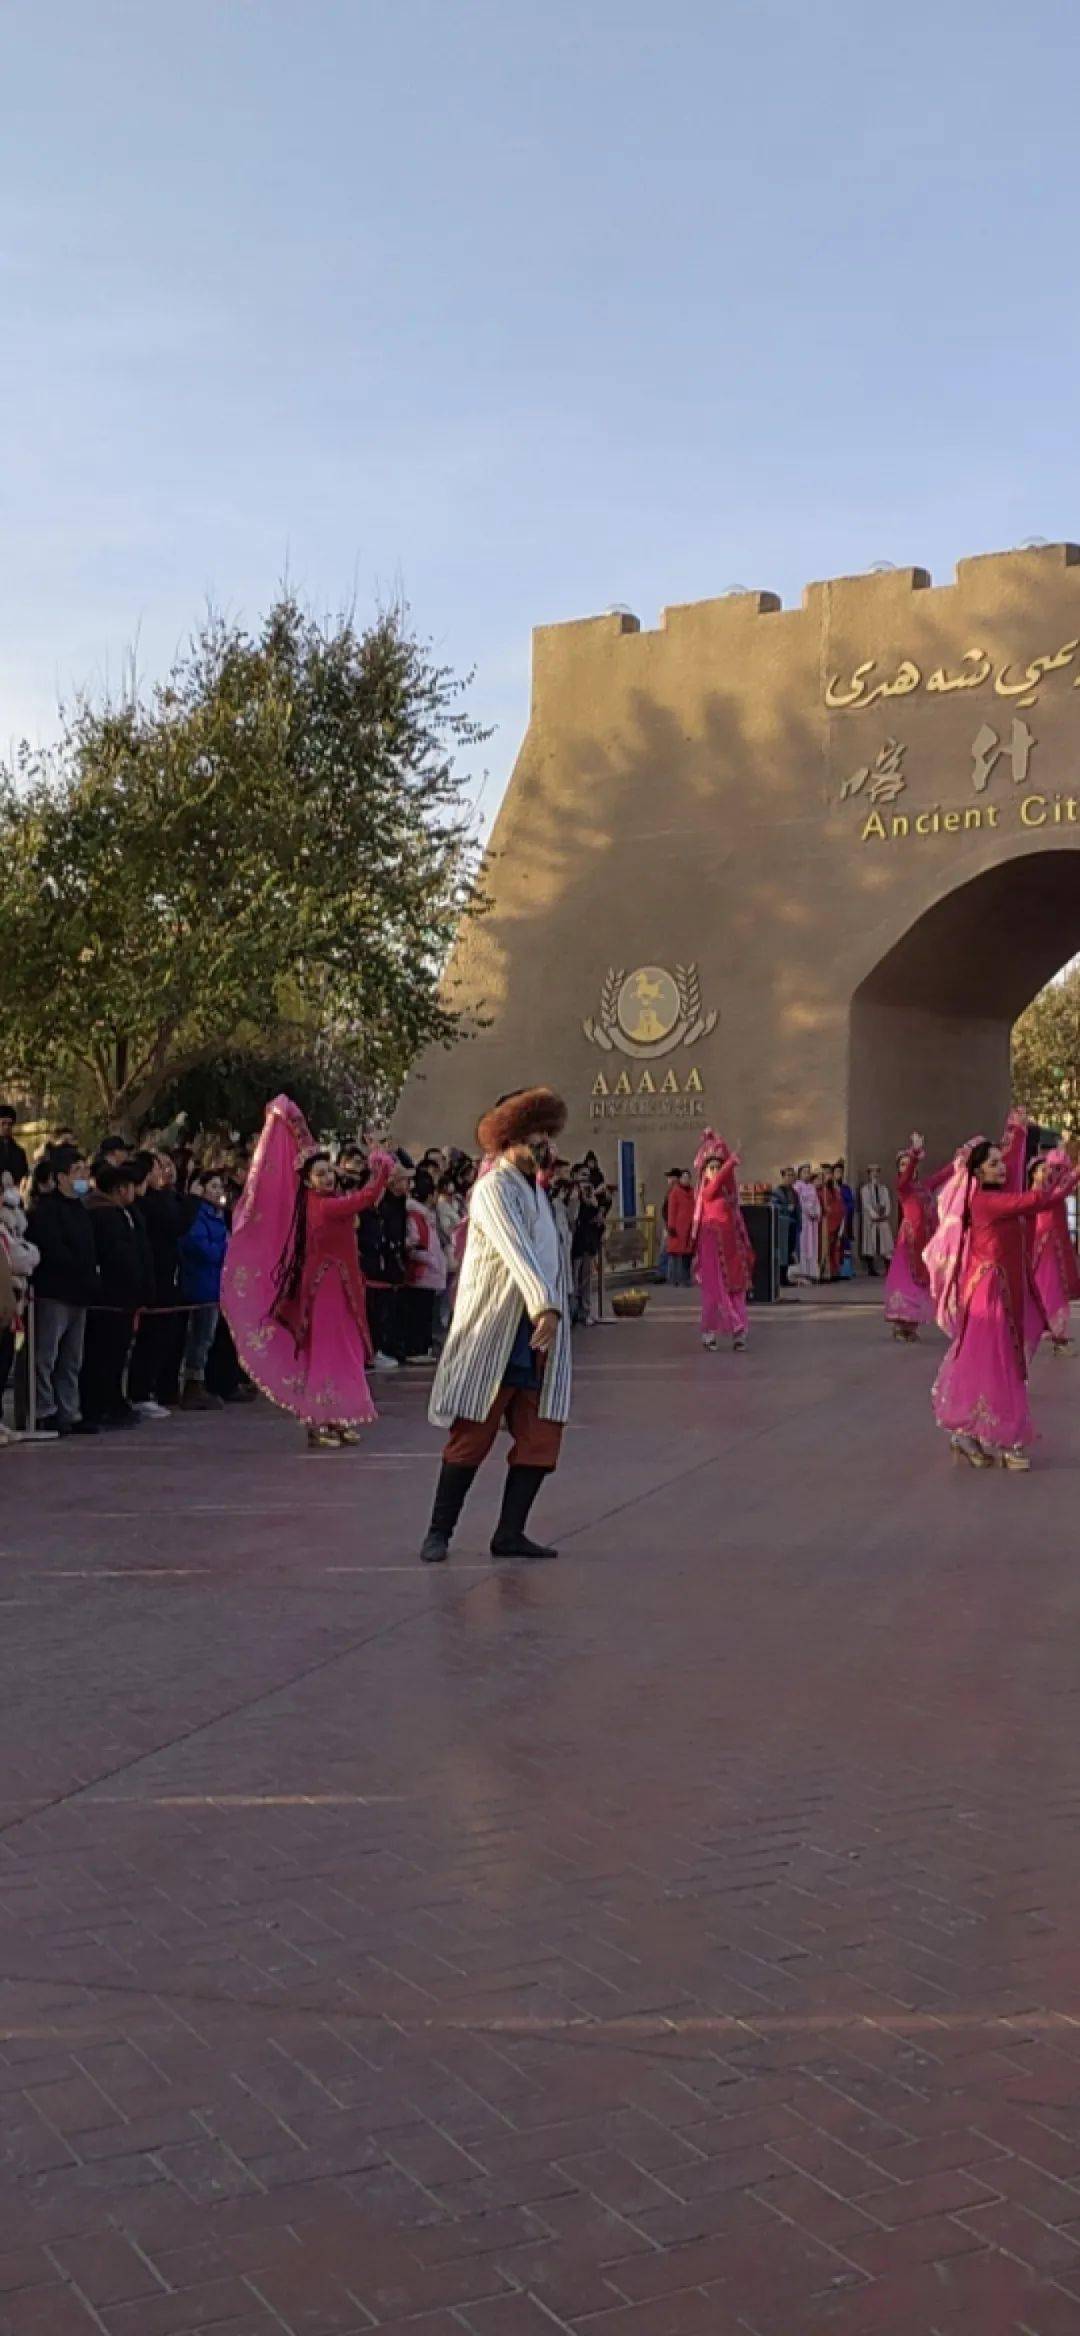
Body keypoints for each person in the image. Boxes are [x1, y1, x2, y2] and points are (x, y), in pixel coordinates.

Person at [420, 1087, 572, 1565]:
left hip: (540, 1337)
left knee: (540, 1436)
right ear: (512, 1140)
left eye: (549, 1134)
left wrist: (551, 1312)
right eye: (538, 1135)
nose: (547, 1144)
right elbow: (517, 1253)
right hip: (497, 1330)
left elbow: (551, 1255)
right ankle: (438, 1532)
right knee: (472, 1434)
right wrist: (545, 1305)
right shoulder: (493, 1189)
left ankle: (510, 1532)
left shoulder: (539, 1194)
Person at [221, 1096, 394, 1450]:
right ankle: (318, 1420)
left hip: (341, 1285)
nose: (328, 1177)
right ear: (308, 1181)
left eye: (329, 1172)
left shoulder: (325, 1203)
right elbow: (366, 1197)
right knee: (327, 1353)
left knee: (343, 1350)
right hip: (326, 1288)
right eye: (321, 1174)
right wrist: (380, 1165)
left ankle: (339, 1415)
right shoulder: (324, 1207)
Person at [927, 1134, 1078, 1469]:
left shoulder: (997, 1196)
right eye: (992, 1163)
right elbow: (1037, 1200)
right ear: (978, 1172)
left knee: (992, 1362)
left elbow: (1037, 1195)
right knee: (997, 1364)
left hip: (1004, 1290)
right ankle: (1006, 1439)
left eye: (1000, 1161)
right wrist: (1068, 1174)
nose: (1001, 1167)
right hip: (989, 1293)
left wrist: (1021, 1136)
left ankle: (966, 1435)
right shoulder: (984, 1202)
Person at [29, 1145, 99, 1434]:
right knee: (46, 1356)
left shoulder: (81, 1209)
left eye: (85, 1171)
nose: (83, 1177)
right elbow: (53, 1250)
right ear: (60, 1178)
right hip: (55, 1292)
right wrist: (79, 1269)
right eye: (77, 1172)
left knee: (72, 1359)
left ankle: (70, 1410)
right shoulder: (46, 1210)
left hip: (79, 1294)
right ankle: (44, 1409)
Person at [79, 1160, 154, 1428]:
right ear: (120, 1189)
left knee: (116, 1353)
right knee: (104, 1354)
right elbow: (119, 1257)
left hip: (124, 1297)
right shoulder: (103, 1215)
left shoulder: (124, 1213)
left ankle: (112, 1401)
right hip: (111, 1298)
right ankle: (100, 1405)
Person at [129, 1151, 191, 1417]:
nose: (162, 1173)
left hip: (169, 1277)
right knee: (149, 1337)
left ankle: (153, 1388)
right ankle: (139, 1392)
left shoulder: (165, 1198)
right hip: (152, 1278)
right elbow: (175, 1224)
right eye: (157, 1168)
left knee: (165, 1337)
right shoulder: (147, 1204)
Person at [884, 1134, 951, 1341]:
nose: (907, 1167)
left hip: (925, 1240)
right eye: (902, 1165)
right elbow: (906, 1177)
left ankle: (910, 1326)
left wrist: (961, 1161)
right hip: (909, 1241)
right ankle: (900, 1324)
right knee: (907, 1281)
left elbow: (942, 1176)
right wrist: (913, 1155)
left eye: (908, 1164)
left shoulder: (923, 1186)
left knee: (920, 1282)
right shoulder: (903, 1187)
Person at [692, 1135, 753, 1351]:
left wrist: (723, 1147)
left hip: (731, 1247)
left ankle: (740, 1333)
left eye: (718, 1166)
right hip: (712, 1246)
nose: (716, 1170)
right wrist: (730, 1162)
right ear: (704, 1172)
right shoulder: (706, 1192)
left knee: (737, 1290)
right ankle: (709, 1333)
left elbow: (727, 1179)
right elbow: (717, 1182)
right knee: (714, 1292)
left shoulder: (728, 1192)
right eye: (711, 1167)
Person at [178, 1170, 229, 1409]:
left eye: (221, 1187)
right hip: (200, 1283)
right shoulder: (197, 1215)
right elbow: (202, 1248)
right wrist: (225, 1250)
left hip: (216, 1283)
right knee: (199, 1337)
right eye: (214, 1186)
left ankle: (201, 1381)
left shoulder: (218, 1216)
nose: (219, 1192)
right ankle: (192, 1382)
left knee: (207, 1337)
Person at [1030, 1151, 1080, 1356]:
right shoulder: (1039, 1194)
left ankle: (1057, 1335)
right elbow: (1061, 1192)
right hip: (1045, 1246)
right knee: (1050, 1290)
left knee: (1054, 1289)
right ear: (1033, 1174)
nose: (1049, 1172)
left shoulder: (1048, 1189)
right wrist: (1076, 1173)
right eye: (1044, 1170)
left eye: (1051, 1169)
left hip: (1055, 1244)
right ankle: (1057, 1337)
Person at [403, 1166, 446, 1360]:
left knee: (426, 1311)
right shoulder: (415, 1216)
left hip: (429, 1272)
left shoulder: (425, 1216)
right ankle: (417, 1348)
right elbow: (414, 1245)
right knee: (419, 1313)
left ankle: (424, 1346)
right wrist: (432, 1260)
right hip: (421, 1273)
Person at [662, 1169, 695, 1286]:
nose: (686, 1180)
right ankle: (674, 1279)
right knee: (675, 1254)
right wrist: (671, 1226)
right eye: (684, 1177)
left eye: (688, 1178)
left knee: (687, 1255)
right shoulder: (675, 1192)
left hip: (689, 1227)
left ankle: (685, 1278)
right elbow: (671, 1209)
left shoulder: (692, 1192)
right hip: (677, 1227)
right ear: (680, 1179)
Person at [859, 1165, 894, 1276]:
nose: (874, 1174)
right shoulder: (865, 1189)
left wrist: (884, 1213)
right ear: (869, 1174)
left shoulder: (883, 1189)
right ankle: (871, 1268)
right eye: (872, 1172)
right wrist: (874, 1214)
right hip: (871, 1220)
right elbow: (867, 1204)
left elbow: (887, 1203)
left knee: (886, 1243)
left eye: (876, 1171)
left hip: (882, 1219)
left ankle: (888, 1268)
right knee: (870, 1243)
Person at [792, 1165, 821, 1284]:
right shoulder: (797, 1187)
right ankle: (803, 1272)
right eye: (804, 1172)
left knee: (812, 1245)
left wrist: (816, 1212)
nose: (806, 1174)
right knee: (804, 1245)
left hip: (812, 1221)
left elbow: (816, 1202)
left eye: (808, 1172)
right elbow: (800, 1202)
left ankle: (812, 1273)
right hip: (804, 1219)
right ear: (799, 1174)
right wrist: (809, 1211)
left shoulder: (812, 1187)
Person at [771, 1169, 799, 1286]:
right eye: (788, 1175)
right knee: (782, 1251)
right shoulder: (777, 1191)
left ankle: (786, 1276)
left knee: (789, 1251)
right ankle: (780, 1278)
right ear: (783, 1176)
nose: (791, 1177)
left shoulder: (794, 1192)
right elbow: (775, 1205)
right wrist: (786, 1208)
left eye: (792, 1175)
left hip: (792, 1225)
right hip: (782, 1225)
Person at [0, 1105, 28, 1189]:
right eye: (3, 1123)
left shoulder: (19, 1152)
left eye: (10, 1124)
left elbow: (24, 1176)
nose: (6, 1127)